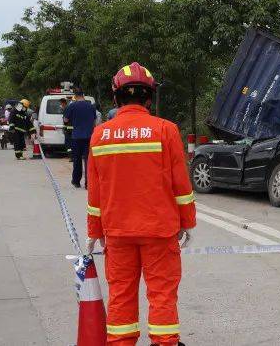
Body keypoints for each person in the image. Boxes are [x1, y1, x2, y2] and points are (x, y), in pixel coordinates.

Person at [86, 62, 195, 346]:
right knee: (162, 293)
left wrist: (94, 230)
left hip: (117, 232)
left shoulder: (100, 135)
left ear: (116, 97)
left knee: (121, 293)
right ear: (149, 98)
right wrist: (187, 222)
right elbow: (181, 186)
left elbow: (95, 192)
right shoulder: (166, 130)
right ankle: (165, 342)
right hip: (160, 231)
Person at [64, 89, 96, 188]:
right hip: (89, 136)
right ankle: (88, 183)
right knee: (88, 160)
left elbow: (66, 120)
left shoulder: (72, 106)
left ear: (75, 96)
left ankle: (76, 181)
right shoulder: (91, 106)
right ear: (83, 95)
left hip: (76, 136)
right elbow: (94, 121)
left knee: (77, 159)